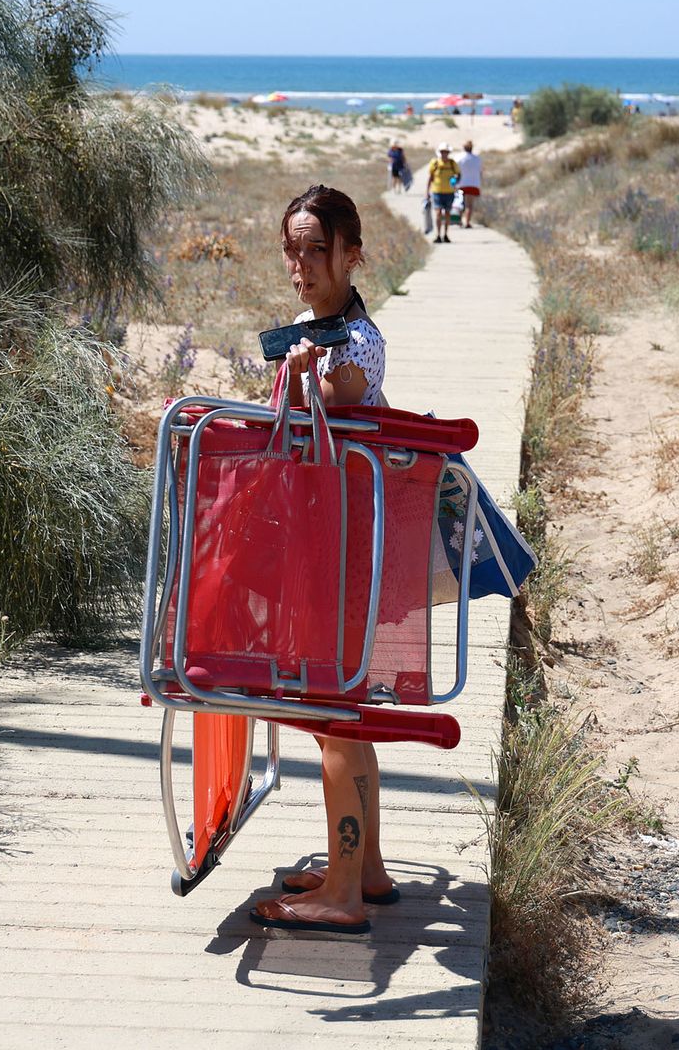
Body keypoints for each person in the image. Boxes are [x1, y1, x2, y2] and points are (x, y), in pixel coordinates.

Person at [251, 185, 393, 935]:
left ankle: (340, 894)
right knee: (342, 718)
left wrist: (306, 375)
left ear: (351, 255)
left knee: (333, 716)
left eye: (316, 249)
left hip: (341, 550)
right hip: (324, 543)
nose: (301, 264)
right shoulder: (317, 330)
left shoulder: (357, 340)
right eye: (292, 249)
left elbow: (332, 404)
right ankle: (364, 868)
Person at [427, 143, 462, 243]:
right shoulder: (435, 163)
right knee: (438, 213)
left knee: (447, 213)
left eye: (446, 152)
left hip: (449, 192)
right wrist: (427, 191)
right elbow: (430, 178)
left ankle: (445, 234)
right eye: (443, 152)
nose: (444, 154)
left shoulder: (452, 163)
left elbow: (459, 174)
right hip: (437, 191)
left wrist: (455, 182)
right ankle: (438, 235)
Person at [457, 139, 483, 229]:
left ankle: (460, 221)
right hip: (473, 184)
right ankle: (467, 222)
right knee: (469, 205)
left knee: (460, 203)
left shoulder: (459, 158)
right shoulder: (477, 159)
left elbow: (456, 171)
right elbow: (480, 172)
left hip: (461, 184)